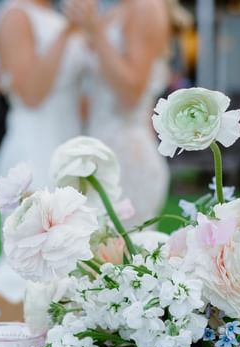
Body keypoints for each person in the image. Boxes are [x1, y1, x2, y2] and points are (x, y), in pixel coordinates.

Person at [0, 0, 85, 317]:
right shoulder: (15, 15)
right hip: (34, 148)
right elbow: (31, 92)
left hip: (68, 142)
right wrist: (70, 30)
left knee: (69, 257)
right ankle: (5, 339)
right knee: (30, 254)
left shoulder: (53, 17)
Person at [66, 0, 181, 226]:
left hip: (126, 158)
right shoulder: (113, 12)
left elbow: (130, 95)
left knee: (125, 252)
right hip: (97, 147)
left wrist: (95, 32)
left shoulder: (147, 7)